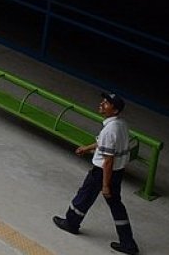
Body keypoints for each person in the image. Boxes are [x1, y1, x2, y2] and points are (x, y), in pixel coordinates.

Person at [52, 92, 141, 254]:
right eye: (104, 101)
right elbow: (103, 143)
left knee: (85, 195)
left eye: (107, 103)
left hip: (103, 172)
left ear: (114, 111)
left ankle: (71, 223)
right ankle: (128, 243)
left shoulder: (110, 130)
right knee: (116, 205)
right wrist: (86, 148)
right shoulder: (122, 125)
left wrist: (105, 185)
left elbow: (108, 160)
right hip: (118, 172)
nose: (102, 104)